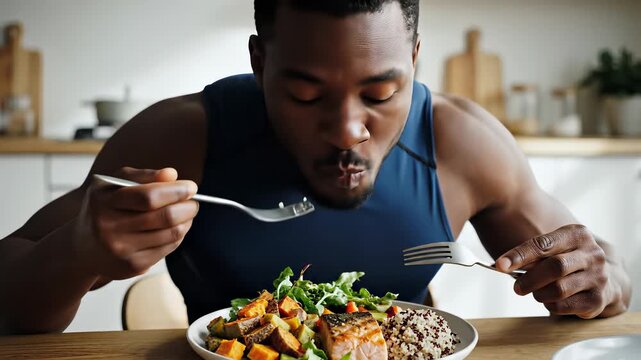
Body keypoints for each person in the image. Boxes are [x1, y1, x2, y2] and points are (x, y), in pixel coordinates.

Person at [0, 0, 631, 335]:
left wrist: (600, 281)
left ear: (414, 58)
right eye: (305, 96)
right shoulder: (183, 135)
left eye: (382, 94)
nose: (347, 130)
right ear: (259, 61)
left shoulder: (462, 142)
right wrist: (80, 249)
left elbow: (602, 285)